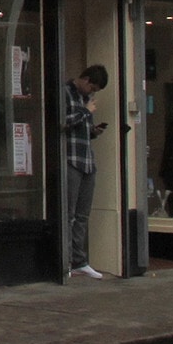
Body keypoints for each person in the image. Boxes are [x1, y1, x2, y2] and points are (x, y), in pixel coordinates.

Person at [65, 64, 110, 279]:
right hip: (72, 159)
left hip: (87, 160)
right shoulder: (66, 93)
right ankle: (65, 260)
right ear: (85, 80)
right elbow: (63, 122)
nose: (92, 92)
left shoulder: (85, 100)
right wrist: (85, 111)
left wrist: (95, 131)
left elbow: (82, 128)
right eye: (92, 87)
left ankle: (79, 260)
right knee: (69, 214)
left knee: (82, 214)